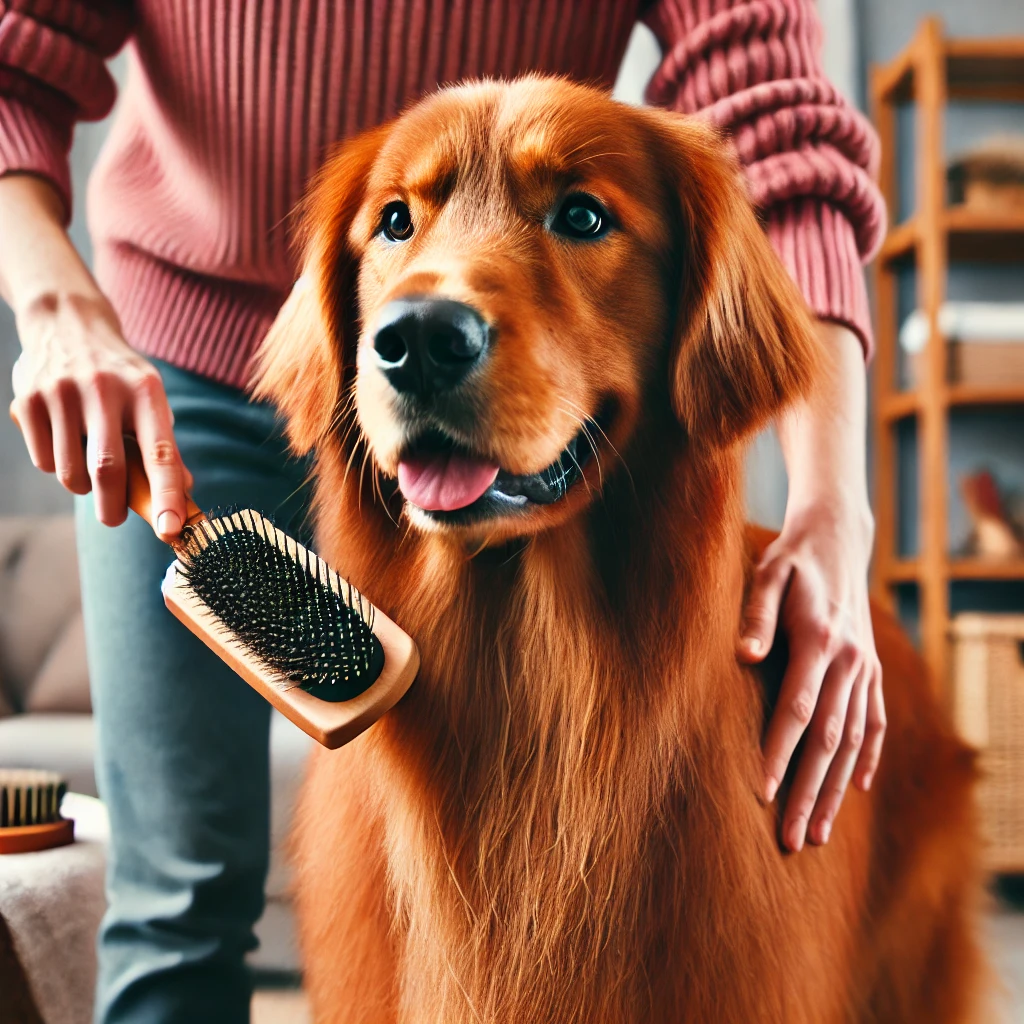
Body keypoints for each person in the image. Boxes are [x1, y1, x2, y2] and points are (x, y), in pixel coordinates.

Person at [0, 2, 887, 1021]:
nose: (431, 301)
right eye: (397, 220)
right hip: (172, 365)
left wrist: (832, 507)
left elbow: (780, 131)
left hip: (520, 401)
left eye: (582, 216)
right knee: (177, 892)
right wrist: (55, 307)